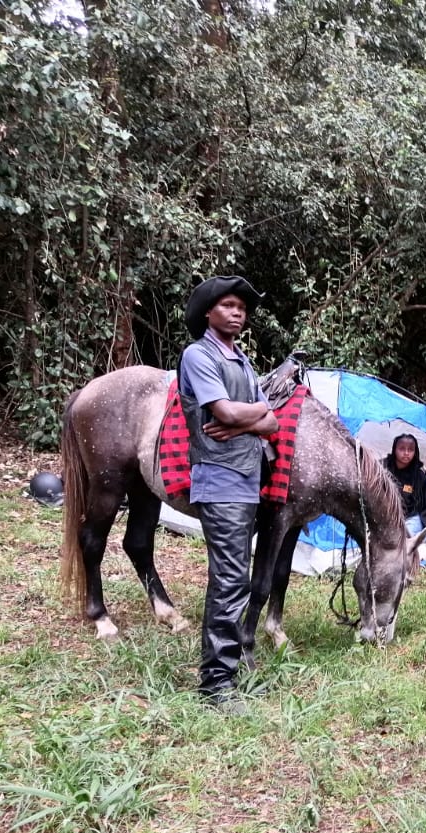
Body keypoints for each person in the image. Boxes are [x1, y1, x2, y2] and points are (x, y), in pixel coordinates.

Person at [178, 275, 278, 712]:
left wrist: (244, 421)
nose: (238, 313)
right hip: (220, 481)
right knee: (230, 579)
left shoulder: (242, 360)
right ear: (208, 312)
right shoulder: (198, 356)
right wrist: (250, 415)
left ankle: (227, 671)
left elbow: (271, 421)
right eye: (228, 306)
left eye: (242, 307)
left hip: (247, 481)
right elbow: (223, 411)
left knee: (236, 576)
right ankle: (216, 684)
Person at [384, 433, 426, 537]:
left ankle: (421, 536)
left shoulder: (419, 475)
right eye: (402, 449)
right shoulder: (383, 469)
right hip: (387, 516)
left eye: (411, 449)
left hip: (410, 517)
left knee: (405, 538)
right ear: (395, 449)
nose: (406, 453)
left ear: (415, 451)